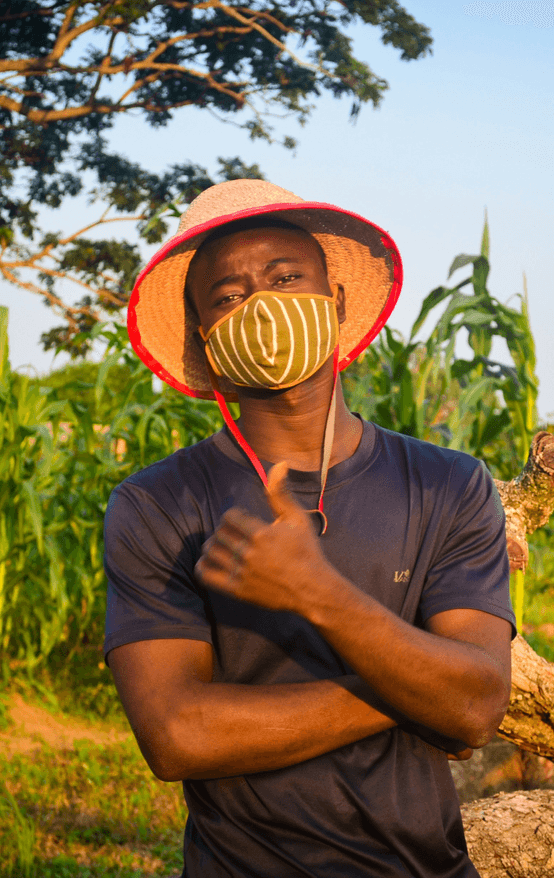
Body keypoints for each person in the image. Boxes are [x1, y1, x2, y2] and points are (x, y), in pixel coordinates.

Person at [104, 179, 515, 877]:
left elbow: (476, 706)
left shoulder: (449, 484)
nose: (261, 304)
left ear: (337, 303)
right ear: (206, 343)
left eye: (285, 277)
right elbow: (176, 735)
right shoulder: (158, 506)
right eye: (228, 297)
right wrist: (417, 699)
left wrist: (316, 592)